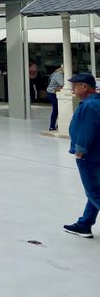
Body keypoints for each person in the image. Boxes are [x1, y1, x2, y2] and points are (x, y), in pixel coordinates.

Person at [63, 73, 100, 238]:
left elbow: (86, 130)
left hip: (90, 156)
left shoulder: (89, 106)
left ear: (84, 87)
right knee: (96, 190)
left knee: (93, 192)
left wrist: (80, 150)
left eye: (75, 86)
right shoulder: (94, 102)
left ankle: (84, 224)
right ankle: (85, 224)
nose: (72, 89)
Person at [45, 65, 64, 132]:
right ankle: (53, 126)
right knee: (57, 109)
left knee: (57, 109)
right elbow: (63, 84)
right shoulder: (59, 75)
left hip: (53, 92)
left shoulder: (57, 73)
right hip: (52, 93)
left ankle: (54, 126)